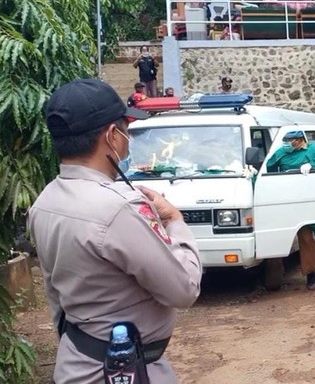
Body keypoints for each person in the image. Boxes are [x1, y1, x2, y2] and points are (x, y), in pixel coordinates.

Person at [26, 79, 202, 383]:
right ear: (112, 136)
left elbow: (55, 294)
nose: (128, 140)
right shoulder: (118, 208)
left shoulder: (44, 202)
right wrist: (174, 219)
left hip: (75, 364)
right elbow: (183, 289)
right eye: (127, 131)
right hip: (124, 371)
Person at [265, 130, 315, 290]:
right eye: (285, 140)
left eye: (290, 140)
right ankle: (275, 277)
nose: (287, 143)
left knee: (306, 238)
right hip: (284, 198)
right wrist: (279, 153)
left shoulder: (312, 150)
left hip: (304, 199)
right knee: (277, 236)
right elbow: (269, 167)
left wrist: (311, 166)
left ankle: (311, 275)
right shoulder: (283, 152)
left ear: (299, 140)